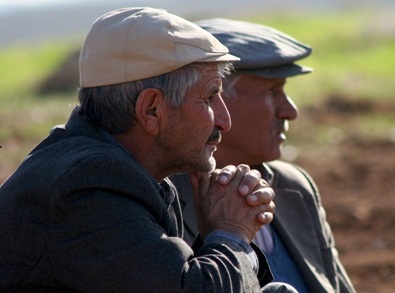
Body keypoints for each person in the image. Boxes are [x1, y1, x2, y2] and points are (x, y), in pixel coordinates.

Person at [0, 8, 297, 292]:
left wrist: (214, 238)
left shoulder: (115, 170)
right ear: (152, 109)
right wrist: (231, 233)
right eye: (210, 97)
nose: (224, 120)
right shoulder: (87, 187)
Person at [170, 18, 356, 293]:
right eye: (271, 91)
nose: (290, 111)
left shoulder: (295, 186)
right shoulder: (164, 201)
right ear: (214, 98)